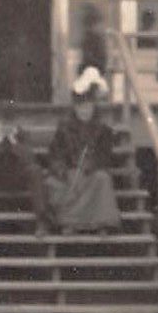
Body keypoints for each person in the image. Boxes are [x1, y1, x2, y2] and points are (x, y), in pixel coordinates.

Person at [44, 67, 124, 234]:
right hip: (70, 173)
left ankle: (100, 223)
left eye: (88, 107)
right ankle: (69, 223)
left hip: (91, 173)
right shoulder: (64, 128)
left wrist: (92, 165)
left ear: (94, 108)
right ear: (75, 108)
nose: (84, 111)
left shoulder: (103, 130)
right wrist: (63, 170)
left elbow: (105, 157)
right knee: (55, 185)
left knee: (102, 179)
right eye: (81, 108)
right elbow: (55, 155)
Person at [0, 110, 55, 237]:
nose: (6, 126)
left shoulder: (22, 135)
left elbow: (29, 158)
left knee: (35, 170)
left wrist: (14, 141)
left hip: (17, 179)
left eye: (10, 122)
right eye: (3, 122)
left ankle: (41, 222)